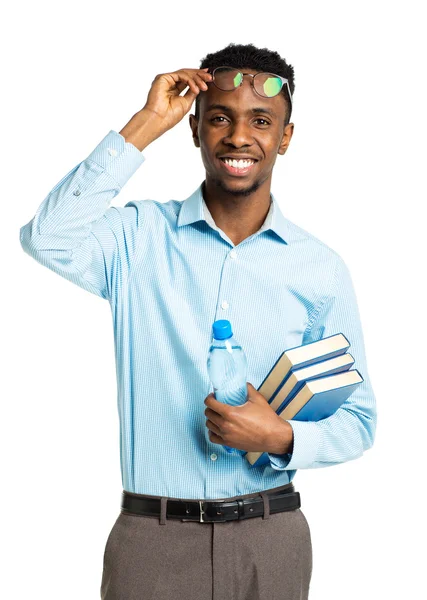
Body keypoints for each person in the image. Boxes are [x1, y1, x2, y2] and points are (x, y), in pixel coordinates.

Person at [19, 42, 377, 600]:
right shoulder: (137, 239)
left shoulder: (320, 270)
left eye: (261, 121)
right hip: (152, 543)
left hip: (271, 539)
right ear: (195, 129)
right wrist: (145, 124)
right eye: (219, 118)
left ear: (285, 136)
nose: (239, 136)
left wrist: (280, 436)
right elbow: (47, 237)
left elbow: (359, 420)